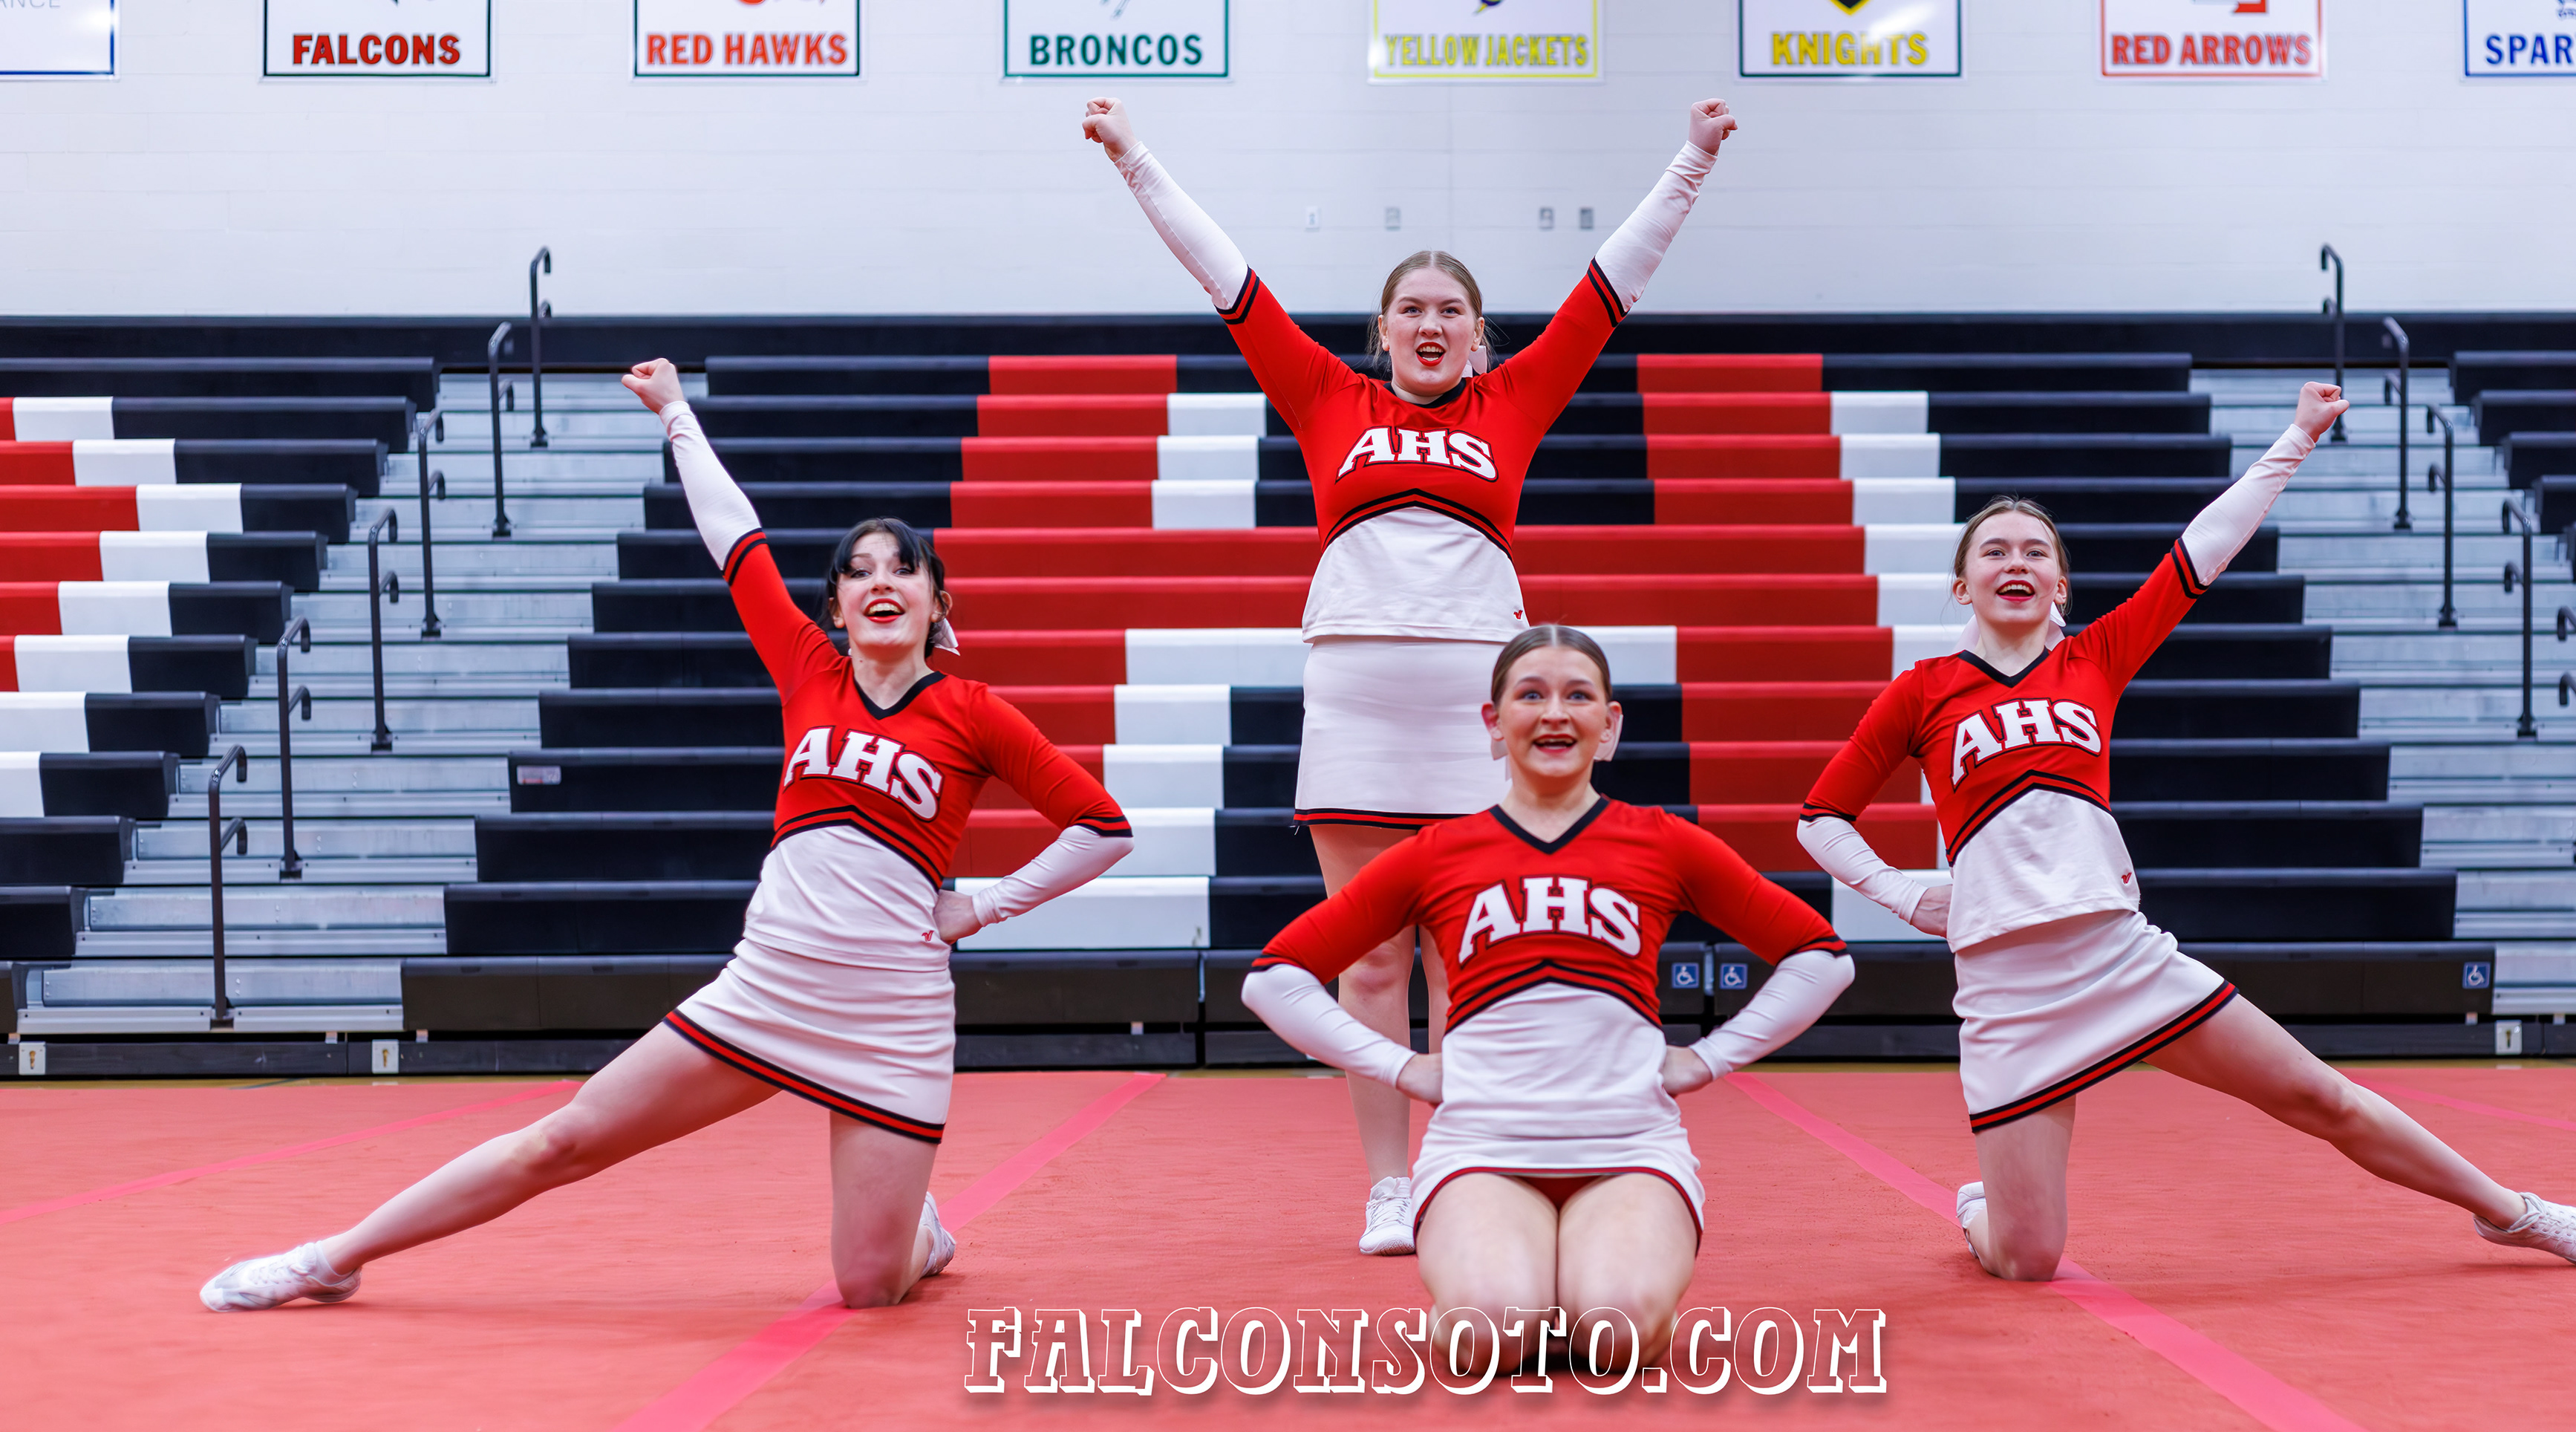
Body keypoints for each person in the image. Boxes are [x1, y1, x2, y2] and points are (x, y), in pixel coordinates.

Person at [198, 359, 1135, 1312]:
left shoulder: (973, 711)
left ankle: (917, 1234)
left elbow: (1103, 828)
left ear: (939, 603)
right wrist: (679, 414)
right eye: (858, 571)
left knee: (867, 1286)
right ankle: (330, 1257)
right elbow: (737, 537)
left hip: (892, 1017)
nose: (879, 581)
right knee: (564, 1138)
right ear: (836, 607)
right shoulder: (809, 671)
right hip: (770, 987)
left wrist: (982, 906)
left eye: (903, 567)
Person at [1086, 92, 1739, 1256]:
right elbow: (1224, 274)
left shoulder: (1515, 399)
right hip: (1353, 702)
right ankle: (1389, 1184)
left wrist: (1690, 158)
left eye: (1450, 311)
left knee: (1466, 950)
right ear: (1380, 333)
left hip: (1471, 709)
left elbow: (1614, 282)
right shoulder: (1327, 396)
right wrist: (1135, 156)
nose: (1430, 325)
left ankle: (1464, 1162)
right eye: (1411, 310)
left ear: (1479, 337)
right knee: (1374, 955)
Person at [1796, 382, 2576, 1279]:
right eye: (1994, 550)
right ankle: (1986, 1208)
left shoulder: (2094, 657)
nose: (2018, 561)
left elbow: (2202, 550)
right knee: (2028, 1259)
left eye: (2036, 551)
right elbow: (1820, 819)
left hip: (2117, 956)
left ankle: (2514, 1212)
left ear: (2060, 585)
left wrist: (2298, 437)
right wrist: (1905, 894)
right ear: (1962, 584)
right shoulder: (1922, 690)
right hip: (2007, 990)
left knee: (2321, 1095)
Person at [1243, 625, 1854, 1370]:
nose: (1555, 713)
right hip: (1482, 1150)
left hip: (1628, 1149)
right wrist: (1404, 1068)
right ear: (1493, 723)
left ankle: (1578, 1278)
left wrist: (1710, 1058)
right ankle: (1522, 1282)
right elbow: (1273, 976)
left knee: (1616, 1330)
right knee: (1482, 1333)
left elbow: (1821, 957)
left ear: (1610, 724)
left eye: (1578, 695)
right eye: (1530, 695)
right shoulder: (1437, 852)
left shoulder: (1663, 841)